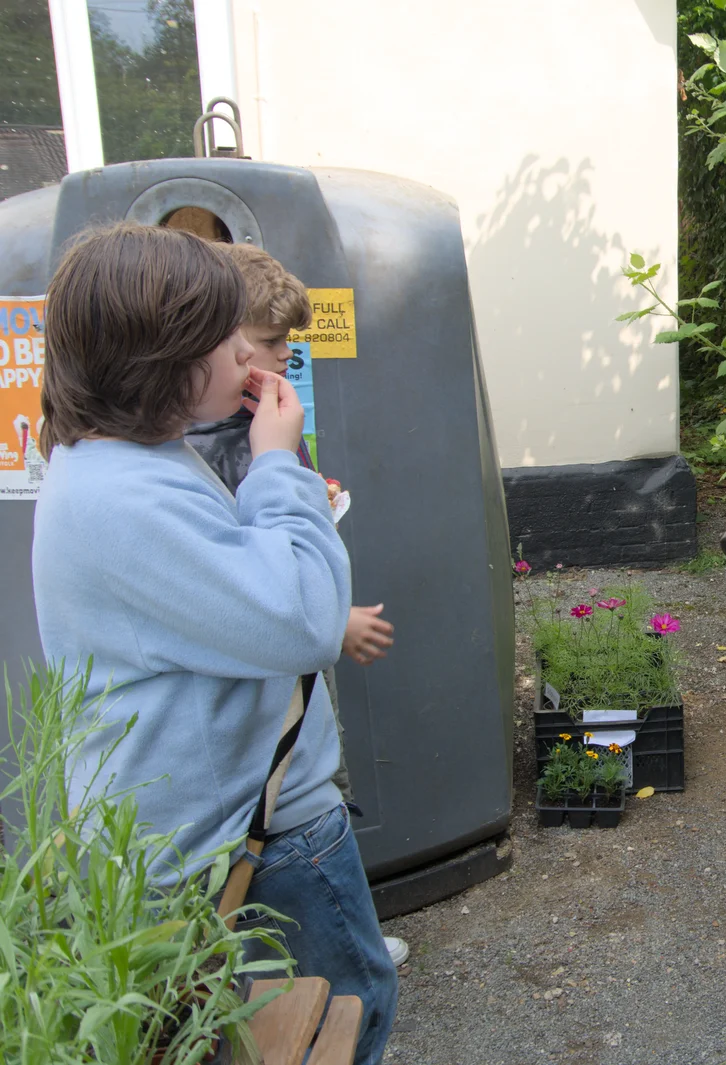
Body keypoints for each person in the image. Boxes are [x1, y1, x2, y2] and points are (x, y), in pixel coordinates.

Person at [31, 223, 398, 1065]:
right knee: (351, 1008)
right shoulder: (125, 498)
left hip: (225, 823)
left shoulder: (124, 461)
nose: (247, 352)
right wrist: (278, 463)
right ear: (161, 360)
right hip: (249, 834)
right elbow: (306, 615)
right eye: (223, 336)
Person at [182, 244, 407, 967]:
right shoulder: (215, 448)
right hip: (278, 695)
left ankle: (346, 932)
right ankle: (345, 944)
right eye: (275, 342)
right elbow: (250, 591)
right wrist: (331, 621)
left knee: (323, 798)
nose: (285, 356)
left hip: (296, 687)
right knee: (306, 817)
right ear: (230, 341)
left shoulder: (256, 419)